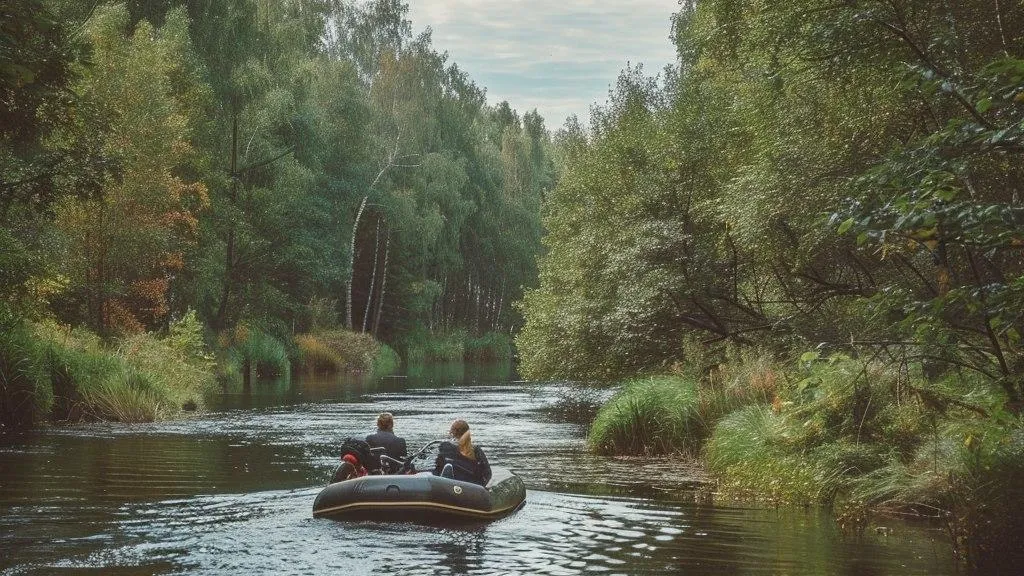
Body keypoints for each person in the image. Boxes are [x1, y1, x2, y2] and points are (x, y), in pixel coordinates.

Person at [433, 419, 492, 486]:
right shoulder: (476, 449)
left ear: (452, 432)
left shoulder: (445, 446)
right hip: (470, 485)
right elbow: (487, 473)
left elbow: (436, 467)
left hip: (450, 484)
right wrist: (481, 486)